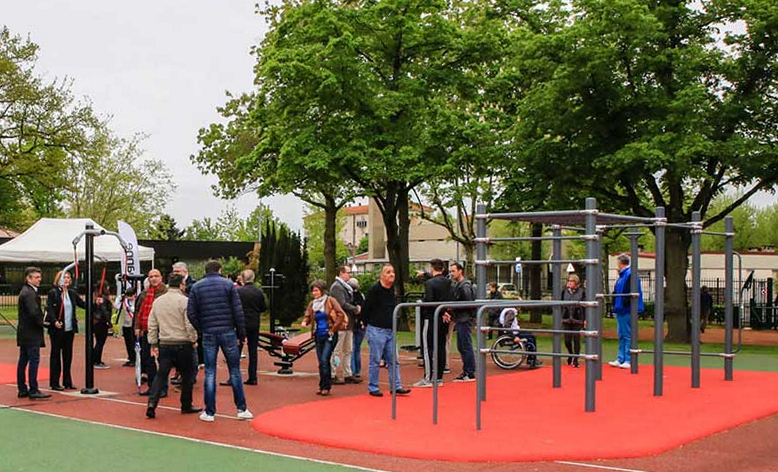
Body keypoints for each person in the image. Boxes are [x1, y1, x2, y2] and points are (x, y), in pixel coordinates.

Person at [187, 260, 252, 422]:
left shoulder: (197, 287)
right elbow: (238, 311)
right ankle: (241, 408)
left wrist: (201, 328)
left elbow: (191, 313)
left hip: (209, 331)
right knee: (235, 370)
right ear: (219, 270)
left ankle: (210, 412)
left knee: (210, 371)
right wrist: (241, 334)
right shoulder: (228, 285)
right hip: (228, 330)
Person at [145, 273, 202, 419]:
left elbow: (152, 323)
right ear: (182, 285)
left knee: (161, 374)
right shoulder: (184, 301)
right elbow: (189, 323)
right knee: (188, 374)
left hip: (165, 342)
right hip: (182, 342)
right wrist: (193, 339)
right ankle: (186, 404)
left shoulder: (158, 301)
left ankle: (152, 403)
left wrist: (153, 342)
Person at [360, 264, 411, 397]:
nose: (391, 275)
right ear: (382, 275)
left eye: (393, 272)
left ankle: (396, 385)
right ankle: (373, 387)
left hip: (390, 329)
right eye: (388, 272)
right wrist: (364, 322)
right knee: (375, 360)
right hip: (376, 329)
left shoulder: (393, 290)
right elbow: (366, 307)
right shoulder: (375, 290)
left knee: (393, 360)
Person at [301, 280, 347, 396]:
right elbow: (308, 314)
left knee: (324, 359)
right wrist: (305, 321)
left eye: (316, 290)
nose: (314, 293)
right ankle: (322, 385)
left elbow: (340, 314)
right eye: (313, 291)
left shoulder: (330, 301)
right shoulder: (313, 304)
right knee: (321, 361)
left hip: (329, 334)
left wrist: (333, 328)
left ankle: (326, 386)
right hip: (318, 335)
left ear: (322, 290)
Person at [45, 271, 87, 390]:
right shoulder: (54, 293)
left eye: (68, 277)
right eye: (64, 277)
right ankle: (54, 382)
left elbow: (83, 304)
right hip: (57, 330)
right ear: (58, 279)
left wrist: (96, 303)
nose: (67, 279)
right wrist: (54, 322)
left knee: (68, 356)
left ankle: (67, 381)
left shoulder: (72, 293)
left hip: (69, 330)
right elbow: (50, 309)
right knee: (56, 355)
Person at [415, 259, 452, 388]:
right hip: (443, 318)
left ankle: (428, 378)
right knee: (441, 346)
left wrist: (422, 302)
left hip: (430, 318)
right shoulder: (448, 282)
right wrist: (445, 312)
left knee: (427, 348)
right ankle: (439, 377)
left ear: (432, 268)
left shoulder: (430, 283)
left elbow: (430, 301)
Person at [17, 267, 50, 399]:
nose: (39, 279)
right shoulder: (29, 293)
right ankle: (33, 389)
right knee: (33, 360)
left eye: (39, 277)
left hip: (25, 332)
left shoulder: (26, 291)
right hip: (31, 333)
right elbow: (34, 312)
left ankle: (22, 388)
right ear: (28, 278)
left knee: (23, 360)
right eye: (36, 277)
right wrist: (43, 323)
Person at [135, 269, 168, 396]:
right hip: (146, 331)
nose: (153, 279)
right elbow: (139, 312)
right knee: (148, 360)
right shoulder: (145, 293)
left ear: (161, 278)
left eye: (156, 276)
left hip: (161, 332)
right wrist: (137, 327)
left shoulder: (165, 293)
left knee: (161, 361)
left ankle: (162, 388)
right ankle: (152, 387)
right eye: (151, 277)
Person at [608, 254, 644, 369]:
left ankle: (628, 359)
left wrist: (623, 305)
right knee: (622, 334)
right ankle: (621, 358)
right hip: (621, 308)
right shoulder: (623, 275)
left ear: (620, 263)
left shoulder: (629, 274)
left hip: (626, 309)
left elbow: (629, 293)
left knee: (627, 334)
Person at [329, 265, 361, 384]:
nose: (350, 275)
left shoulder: (346, 287)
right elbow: (341, 304)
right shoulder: (337, 287)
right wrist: (355, 309)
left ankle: (348, 373)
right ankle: (333, 374)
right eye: (348, 272)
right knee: (336, 349)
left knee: (348, 349)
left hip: (349, 323)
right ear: (341, 273)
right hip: (341, 322)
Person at [238, 269, 266, 385]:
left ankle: (233, 376)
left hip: (241, 322)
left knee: (236, 350)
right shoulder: (258, 292)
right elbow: (263, 307)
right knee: (253, 351)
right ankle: (253, 376)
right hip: (254, 322)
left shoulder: (239, 292)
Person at [449, 262, 476, 382]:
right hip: (461, 318)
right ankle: (467, 371)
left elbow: (468, 303)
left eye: (453, 271)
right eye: (451, 271)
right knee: (462, 345)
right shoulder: (460, 285)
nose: (451, 273)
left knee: (465, 345)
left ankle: (469, 372)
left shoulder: (464, 286)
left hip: (464, 318)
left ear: (460, 271)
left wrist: (455, 307)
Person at [561, 274, 585, 368]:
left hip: (577, 318)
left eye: (571, 281)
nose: (569, 283)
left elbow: (584, 306)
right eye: (568, 281)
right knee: (567, 340)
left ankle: (575, 359)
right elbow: (561, 303)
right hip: (567, 318)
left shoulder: (582, 292)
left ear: (576, 283)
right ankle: (571, 353)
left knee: (576, 340)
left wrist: (585, 319)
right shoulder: (564, 291)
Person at [92, 284, 113, 369]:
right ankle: (96, 360)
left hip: (97, 322)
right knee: (100, 342)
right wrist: (109, 322)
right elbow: (105, 312)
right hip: (101, 322)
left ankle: (96, 359)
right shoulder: (103, 299)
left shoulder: (97, 297)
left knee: (99, 342)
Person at [349, 278, 366, 380]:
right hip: (360, 324)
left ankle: (353, 369)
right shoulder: (362, 296)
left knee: (352, 348)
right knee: (357, 348)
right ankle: (357, 370)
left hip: (352, 324)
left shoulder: (349, 297)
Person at [119, 287, 138, 367]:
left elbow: (135, 310)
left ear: (135, 295)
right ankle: (130, 358)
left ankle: (135, 358)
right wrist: (119, 298)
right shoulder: (125, 301)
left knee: (133, 343)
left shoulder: (136, 301)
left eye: (131, 296)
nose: (129, 298)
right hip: (126, 324)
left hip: (133, 325)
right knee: (128, 343)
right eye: (128, 296)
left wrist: (129, 308)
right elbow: (116, 306)